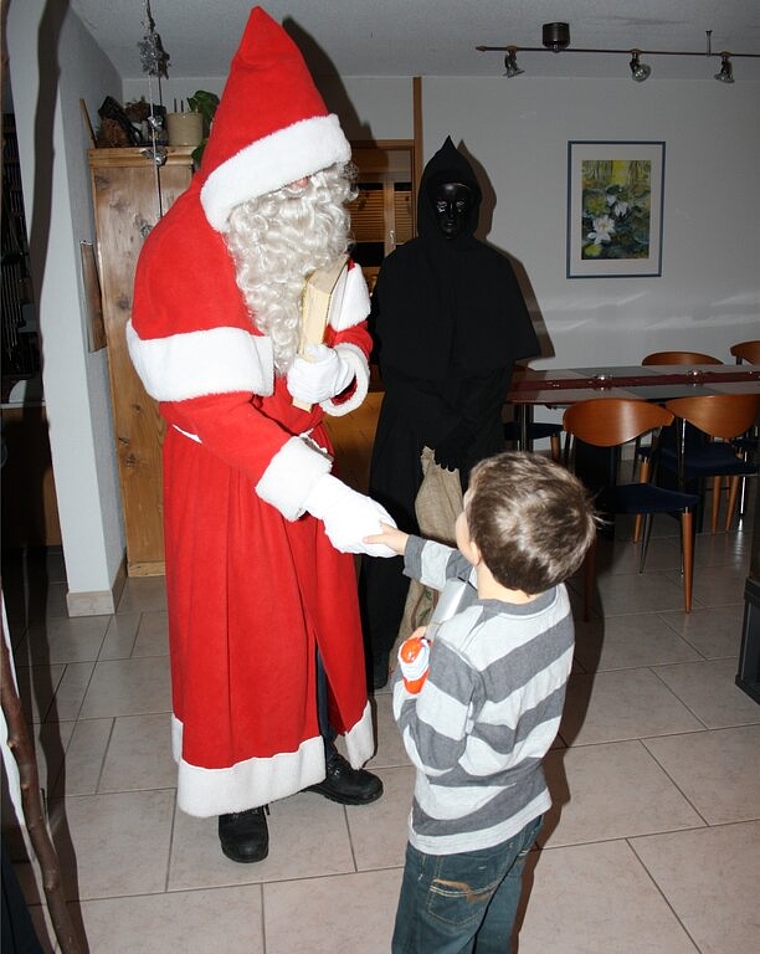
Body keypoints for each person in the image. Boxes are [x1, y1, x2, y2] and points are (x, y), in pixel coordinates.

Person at [128, 6, 396, 865]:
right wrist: (323, 491)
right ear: (246, 182)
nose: (305, 203)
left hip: (304, 453)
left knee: (319, 620)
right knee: (242, 633)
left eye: (315, 185)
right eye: (289, 187)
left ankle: (317, 756)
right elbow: (206, 411)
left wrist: (338, 371)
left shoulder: (315, 229)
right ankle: (242, 788)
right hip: (223, 480)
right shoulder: (177, 249)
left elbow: (354, 329)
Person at [364, 451, 597, 953]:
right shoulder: (551, 596)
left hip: (457, 840)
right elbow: (461, 570)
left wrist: (413, 672)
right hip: (520, 812)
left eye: (465, 507)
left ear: (478, 542)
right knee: (493, 933)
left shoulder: (462, 649)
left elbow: (432, 753)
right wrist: (403, 545)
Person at [361, 137, 540, 689]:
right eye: (441, 200)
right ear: (423, 204)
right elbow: (392, 362)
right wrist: (444, 426)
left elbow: (498, 367)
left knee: (479, 546)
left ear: (478, 207)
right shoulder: (399, 270)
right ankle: (371, 660)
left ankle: (474, 656)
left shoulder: (496, 270)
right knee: (389, 544)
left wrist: (464, 429)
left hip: (477, 431)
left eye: (464, 201)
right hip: (409, 429)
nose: (452, 211)